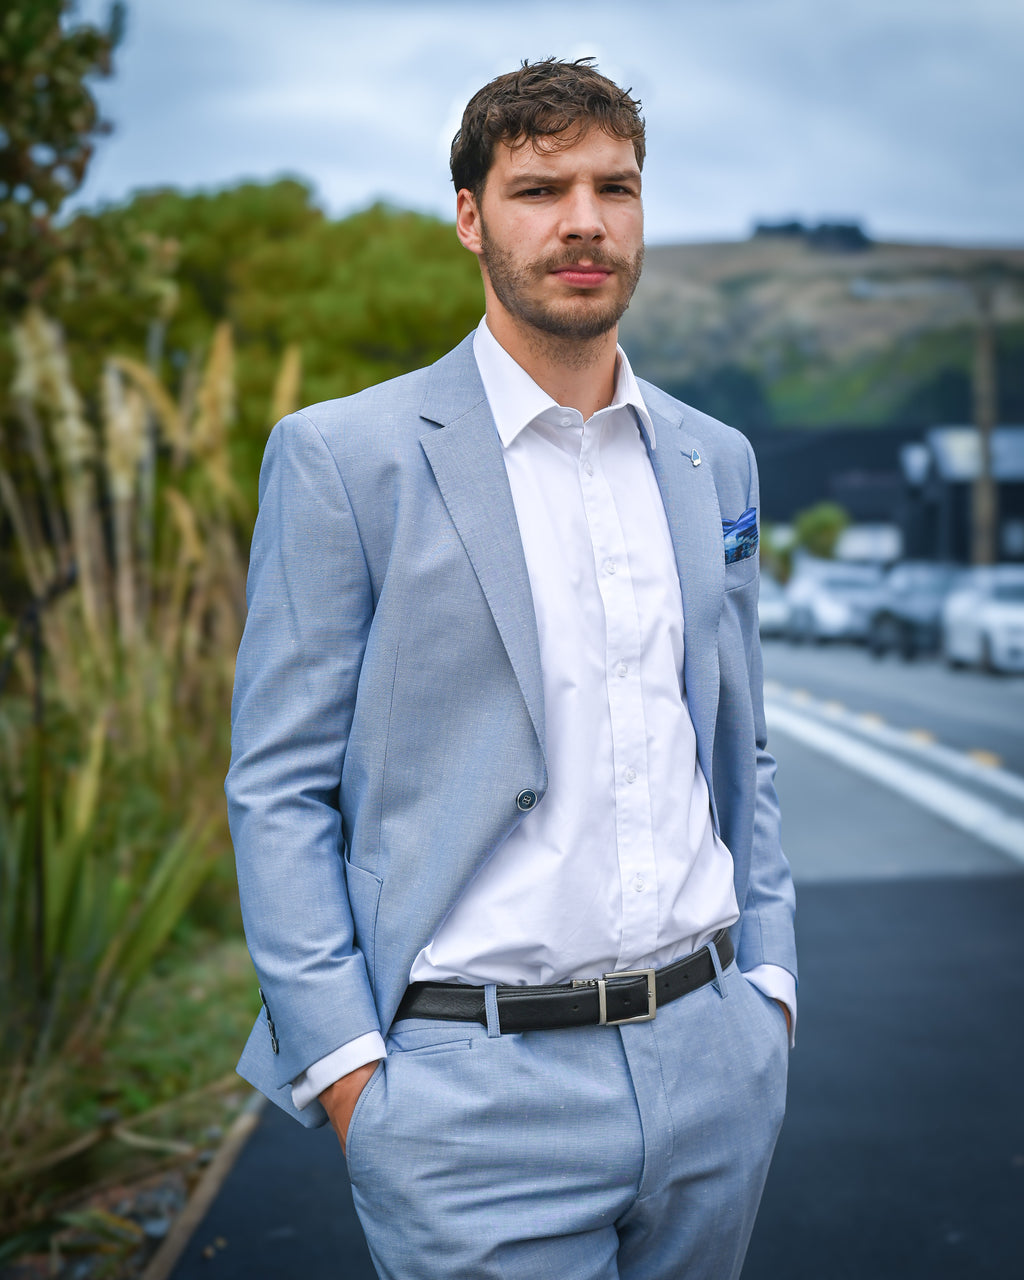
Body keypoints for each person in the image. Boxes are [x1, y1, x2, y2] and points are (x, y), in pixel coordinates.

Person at [226, 56, 797, 1280]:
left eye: (615, 187)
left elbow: (740, 742)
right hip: (466, 1098)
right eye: (540, 189)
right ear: (471, 216)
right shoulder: (343, 457)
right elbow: (276, 784)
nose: (584, 221)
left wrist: (771, 987)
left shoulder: (716, 461)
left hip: (713, 1067)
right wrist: (349, 1075)